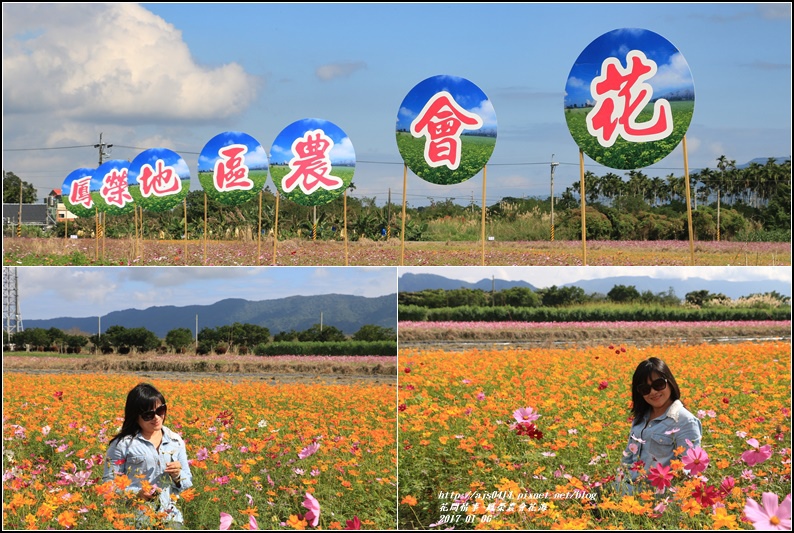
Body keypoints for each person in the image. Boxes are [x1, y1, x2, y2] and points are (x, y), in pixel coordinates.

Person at [103, 383, 193, 528]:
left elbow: (187, 482)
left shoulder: (175, 441)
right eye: (148, 415)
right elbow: (108, 486)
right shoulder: (122, 445)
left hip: (169, 516)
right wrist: (137, 493)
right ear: (135, 417)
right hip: (135, 518)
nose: (156, 418)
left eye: (160, 410)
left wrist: (177, 476)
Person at [619, 357, 702, 489]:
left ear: (670, 382)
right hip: (628, 489)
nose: (653, 392)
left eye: (658, 384)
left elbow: (689, 470)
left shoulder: (685, 421)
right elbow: (627, 458)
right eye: (645, 389)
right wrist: (617, 485)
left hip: (658, 494)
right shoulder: (640, 418)